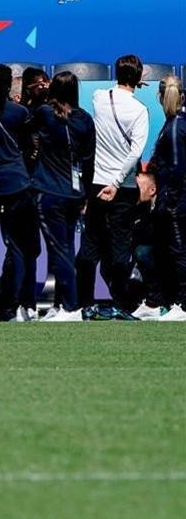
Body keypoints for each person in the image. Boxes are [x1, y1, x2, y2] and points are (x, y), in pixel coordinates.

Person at [75, 54, 150, 319]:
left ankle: (85, 304)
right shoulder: (140, 110)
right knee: (120, 249)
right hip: (123, 187)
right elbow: (135, 153)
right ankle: (121, 303)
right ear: (139, 78)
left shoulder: (99, 97)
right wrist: (118, 183)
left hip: (97, 183)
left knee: (90, 247)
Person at [0, 64, 40, 321]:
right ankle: (15, 303)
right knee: (17, 246)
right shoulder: (18, 112)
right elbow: (29, 147)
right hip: (16, 183)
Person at [31, 72, 95, 322]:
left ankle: (71, 306)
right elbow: (89, 160)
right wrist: (86, 195)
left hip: (50, 192)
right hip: (74, 193)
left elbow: (26, 125)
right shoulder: (85, 119)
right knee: (66, 247)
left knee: (60, 251)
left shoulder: (46, 113)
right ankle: (59, 303)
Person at [147, 75, 186, 321]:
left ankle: (182, 304)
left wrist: (168, 201)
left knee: (179, 251)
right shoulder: (175, 124)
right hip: (176, 198)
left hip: (175, 200)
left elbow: (175, 167)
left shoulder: (173, 128)